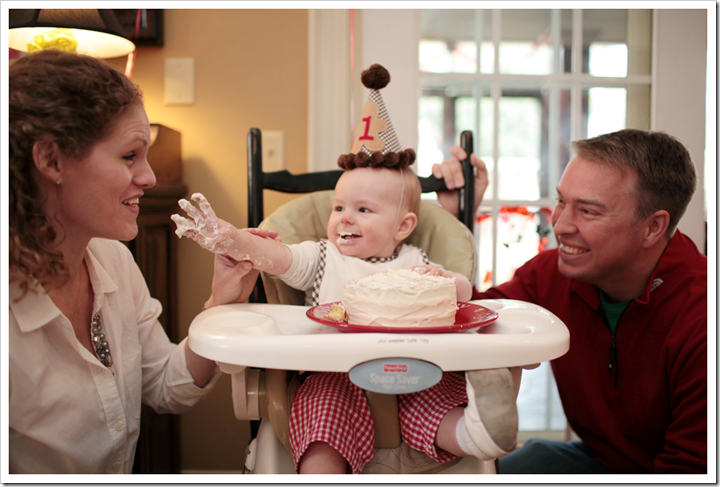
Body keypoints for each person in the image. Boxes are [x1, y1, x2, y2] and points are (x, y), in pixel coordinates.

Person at [173, 63, 520, 474]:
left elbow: (460, 294)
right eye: (338, 207)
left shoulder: (417, 263)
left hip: (413, 372)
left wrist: (450, 281)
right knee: (321, 414)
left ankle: (478, 433)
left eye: (364, 210)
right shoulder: (322, 258)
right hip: (335, 373)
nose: (345, 218)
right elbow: (276, 256)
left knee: (436, 399)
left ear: (403, 226)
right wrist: (232, 239)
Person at [8, 49, 268, 474]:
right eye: (130, 155)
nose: (149, 177)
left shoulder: (112, 259)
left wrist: (221, 304)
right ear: (52, 160)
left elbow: (167, 387)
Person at [433, 129, 707, 474]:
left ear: (653, 227)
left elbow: (691, 471)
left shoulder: (703, 320)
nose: (560, 225)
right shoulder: (553, 274)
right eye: (562, 201)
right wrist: (456, 219)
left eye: (588, 211)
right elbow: (465, 323)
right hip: (600, 460)